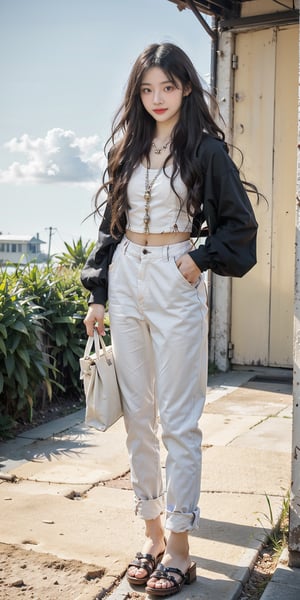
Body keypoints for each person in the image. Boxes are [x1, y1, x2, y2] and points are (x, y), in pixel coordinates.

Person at [81, 42, 258, 597]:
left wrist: (197, 259)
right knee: (138, 417)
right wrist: (99, 293)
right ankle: (152, 535)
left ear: (186, 88)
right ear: (138, 93)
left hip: (175, 277)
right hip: (128, 276)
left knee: (178, 421)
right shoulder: (129, 149)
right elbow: (113, 225)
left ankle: (181, 548)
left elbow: (240, 227)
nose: (158, 99)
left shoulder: (205, 151)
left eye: (169, 87)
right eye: (147, 88)